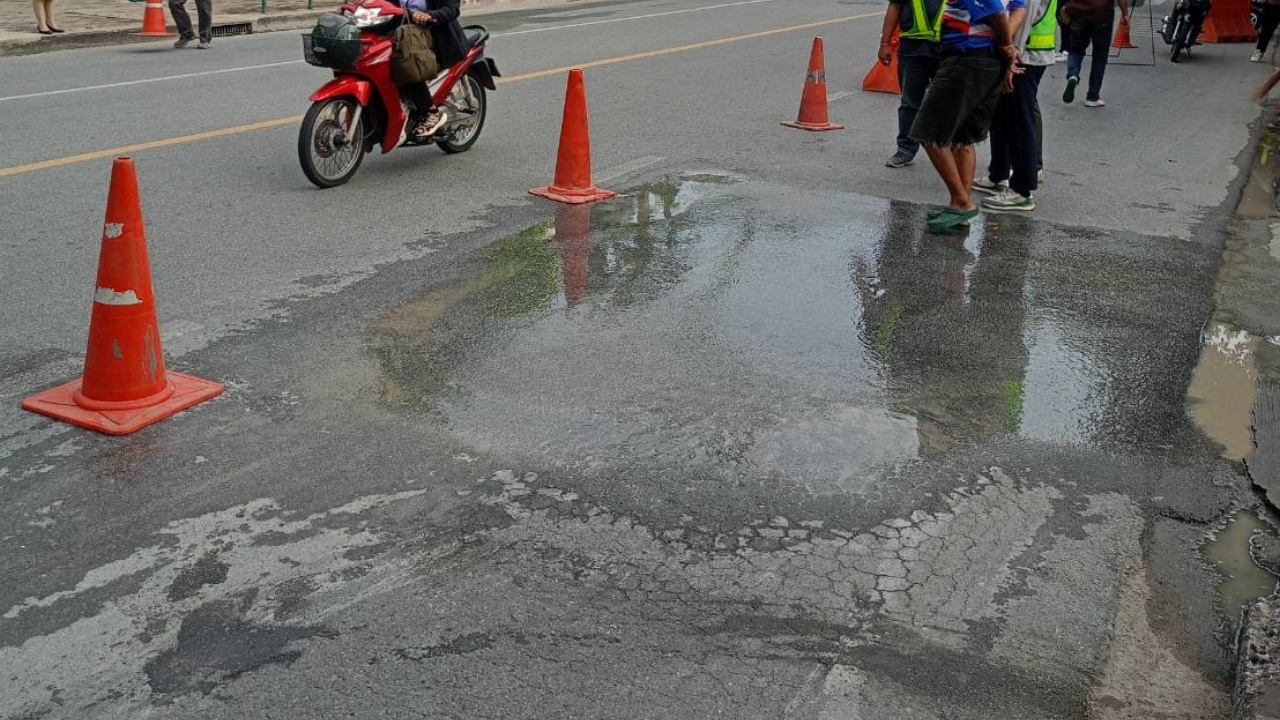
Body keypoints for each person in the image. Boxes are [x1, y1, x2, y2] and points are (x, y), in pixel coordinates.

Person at [909, 0, 1022, 230]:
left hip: (968, 58)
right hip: (984, 59)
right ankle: (959, 206)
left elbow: (997, 13)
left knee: (928, 132)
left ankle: (962, 201)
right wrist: (1004, 49)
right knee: (963, 138)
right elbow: (1018, 7)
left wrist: (1007, 46)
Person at [976, 0, 1057, 211]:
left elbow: (1025, 14)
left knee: (1019, 121)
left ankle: (1021, 190)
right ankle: (998, 174)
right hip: (1028, 53)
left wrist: (1011, 56)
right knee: (1002, 117)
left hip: (1024, 56)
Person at [878, 0, 945, 168]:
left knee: (949, 105)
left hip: (948, 49)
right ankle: (906, 149)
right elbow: (895, 5)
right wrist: (884, 43)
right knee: (909, 102)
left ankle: (952, 150)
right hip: (912, 49)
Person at [399, 0, 469, 139]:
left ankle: (430, 112)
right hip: (401, 35)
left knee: (407, 64)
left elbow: (452, 9)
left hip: (434, 39)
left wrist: (429, 15)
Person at [1061, 0, 1129, 107]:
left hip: (1079, 11)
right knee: (1100, 56)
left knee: (1076, 50)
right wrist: (1125, 14)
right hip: (1103, 14)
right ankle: (1092, 96)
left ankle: (1073, 75)